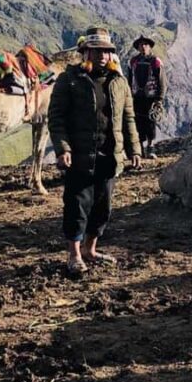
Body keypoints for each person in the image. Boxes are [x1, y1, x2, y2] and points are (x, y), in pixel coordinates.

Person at [49, 27, 142, 275]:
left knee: (103, 206)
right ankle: (74, 254)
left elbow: (128, 118)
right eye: (98, 50)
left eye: (107, 51)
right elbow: (56, 118)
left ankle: (91, 249)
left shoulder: (119, 82)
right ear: (86, 52)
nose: (103, 55)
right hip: (79, 156)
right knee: (77, 204)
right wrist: (62, 148)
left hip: (109, 155)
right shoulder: (69, 80)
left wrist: (135, 149)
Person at [128, 35, 167, 159]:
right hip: (136, 98)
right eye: (141, 45)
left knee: (150, 122)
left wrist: (159, 99)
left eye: (145, 44)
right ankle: (139, 149)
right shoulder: (133, 62)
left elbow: (162, 82)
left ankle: (150, 147)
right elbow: (130, 79)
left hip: (151, 98)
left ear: (149, 47)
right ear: (138, 48)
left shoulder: (156, 62)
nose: (143, 47)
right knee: (137, 122)